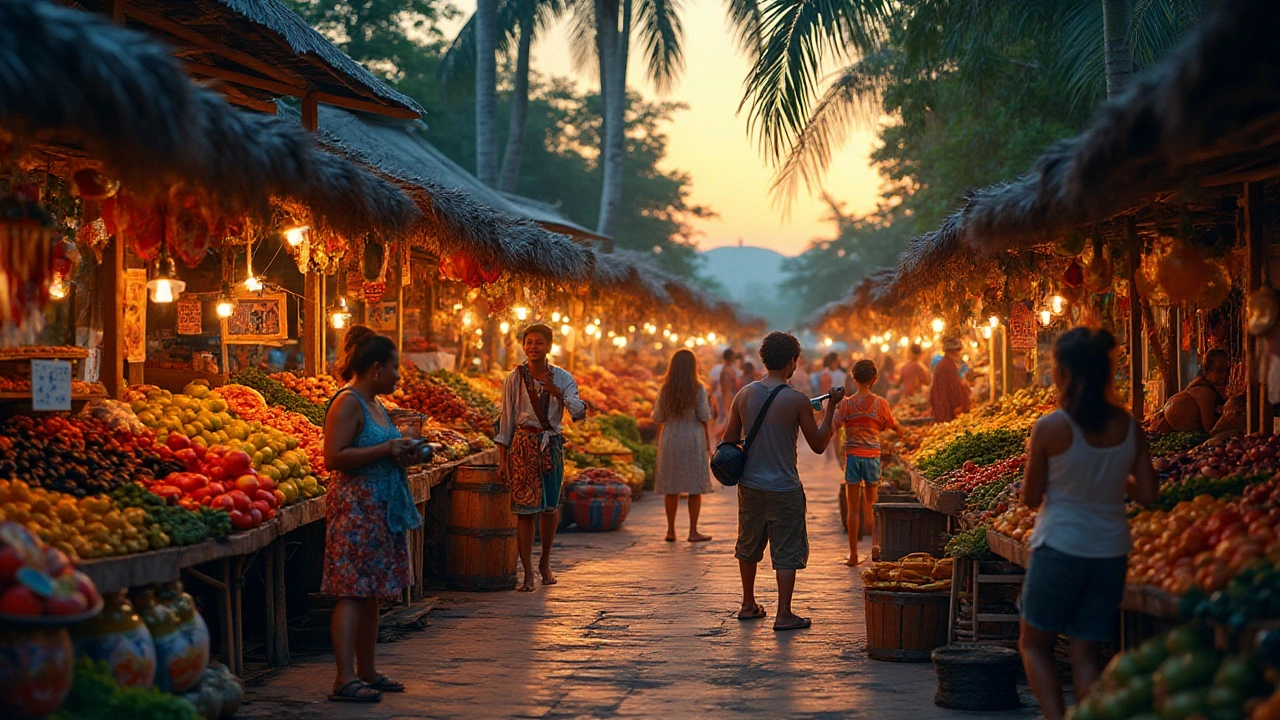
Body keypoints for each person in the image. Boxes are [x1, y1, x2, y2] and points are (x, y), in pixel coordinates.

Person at [1018, 327, 1158, 720]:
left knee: (1034, 644)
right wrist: (1112, 473)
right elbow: (1148, 493)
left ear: (1061, 372)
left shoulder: (1049, 427)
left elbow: (1031, 497)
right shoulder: (1128, 426)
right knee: (1086, 651)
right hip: (1110, 552)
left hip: (1059, 547)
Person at [322, 326, 420, 703]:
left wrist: (404, 452)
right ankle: (343, 678)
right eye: (395, 369)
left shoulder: (377, 405)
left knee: (372, 593)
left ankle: (367, 670)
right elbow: (334, 457)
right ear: (376, 369)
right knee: (351, 591)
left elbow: (381, 449)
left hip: (380, 508)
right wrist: (386, 450)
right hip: (356, 509)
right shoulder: (348, 402)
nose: (398, 376)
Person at [722, 331, 844, 632]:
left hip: (750, 485)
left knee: (748, 544)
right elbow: (817, 443)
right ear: (793, 361)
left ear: (764, 359)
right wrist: (831, 409)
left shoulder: (745, 394)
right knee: (787, 550)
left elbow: (727, 441)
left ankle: (748, 603)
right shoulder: (797, 400)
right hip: (785, 486)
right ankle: (784, 613)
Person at [496, 324, 587, 592]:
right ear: (523, 346)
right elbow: (506, 422)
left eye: (538, 343)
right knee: (524, 512)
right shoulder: (513, 379)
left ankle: (545, 562)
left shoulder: (563, 378)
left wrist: (558, 393)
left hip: (551, 446)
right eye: (528, 342)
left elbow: (579, 412)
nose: (533, 347)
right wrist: (503, 459)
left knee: (549, 509)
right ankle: (526, 573)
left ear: (549, 346)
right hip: (523, 446)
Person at [834, 359, 902, 566]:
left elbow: (835, 427)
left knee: (853, 508)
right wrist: (902, 432)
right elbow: (892, 425)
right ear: (875, 379)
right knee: (871, 505)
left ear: (853, 378)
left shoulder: (846, 404)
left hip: (853, 457)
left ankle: (853, 555)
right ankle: (875, 548)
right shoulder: (881, 404)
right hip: (872, 457)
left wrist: (839, 453)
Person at [653, 349, 715, 542]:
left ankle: (671, 530)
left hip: (671, 438)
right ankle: (693, 531)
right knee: (694, 487)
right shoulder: (698, 388)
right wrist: (708, 442)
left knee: (671, 486)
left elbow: (658, 416)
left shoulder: (665, 388)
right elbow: (704, 416)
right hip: (693, 438)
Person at [1152, 348, 1232, 434]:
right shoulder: (1205, 393)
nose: (1225, 375)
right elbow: (1210, 428)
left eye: (1227, 370)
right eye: (1219, 371)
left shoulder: (1208, 390)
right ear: (1206, 372)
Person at [929, 338, 971, 422]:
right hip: (947, 409)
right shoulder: (947, 365)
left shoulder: (946, 363)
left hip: (943, 407)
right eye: (958, 350)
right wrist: (958, 405)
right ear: (955, 351)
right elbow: (953, 388)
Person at [818, 352, 847, 467]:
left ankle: (831, 455)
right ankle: (837, 457)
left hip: (827, 403)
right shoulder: (839, 374)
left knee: (829, 429)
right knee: (836, 431)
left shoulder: (824, 373)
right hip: (837, 403)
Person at [716, 349, 741, 436]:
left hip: (730, 398)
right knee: (726, 424)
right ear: (730, 358)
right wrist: (727, 405)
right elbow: (726, 390)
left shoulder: (728, 369)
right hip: (728, 399)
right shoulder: (726, 371)